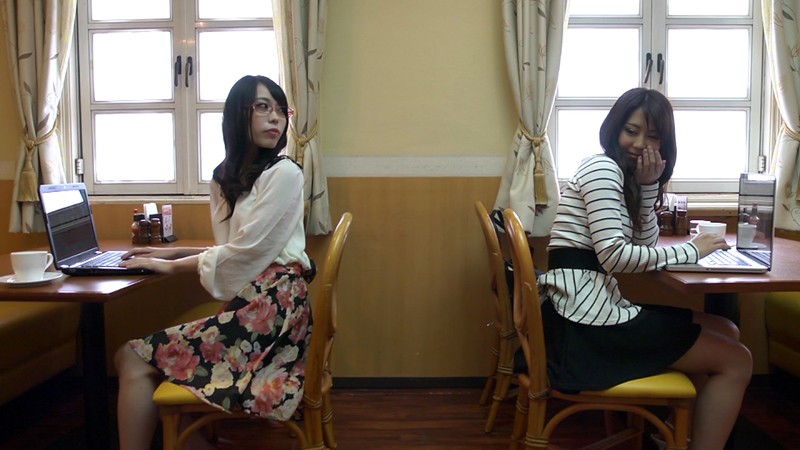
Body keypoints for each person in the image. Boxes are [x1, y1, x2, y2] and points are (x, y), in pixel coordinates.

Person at [536, 87, 752, 449]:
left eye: (652, 136)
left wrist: (649, 186)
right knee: (737, 360)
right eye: (631, 131)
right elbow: (614, 256)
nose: (640, 144)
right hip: (584, 326)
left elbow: (645, 245)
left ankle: (672, 436)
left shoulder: (623, 176)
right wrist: (691, 250)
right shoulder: (602, 169)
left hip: (588, 310)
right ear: (614, 129)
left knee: (726, 329)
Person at [114, 75, 315, 450]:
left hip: (275, 306)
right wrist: (170, 253)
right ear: (237, 114)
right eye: (262, 107)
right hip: (258, 297)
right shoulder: (231, 177)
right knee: (149, 363)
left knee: (131, 357)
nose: (275, 118)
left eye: (280, 109)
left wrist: (172, 267)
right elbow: (235, 247)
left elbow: (248, 252)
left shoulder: (286, 173)